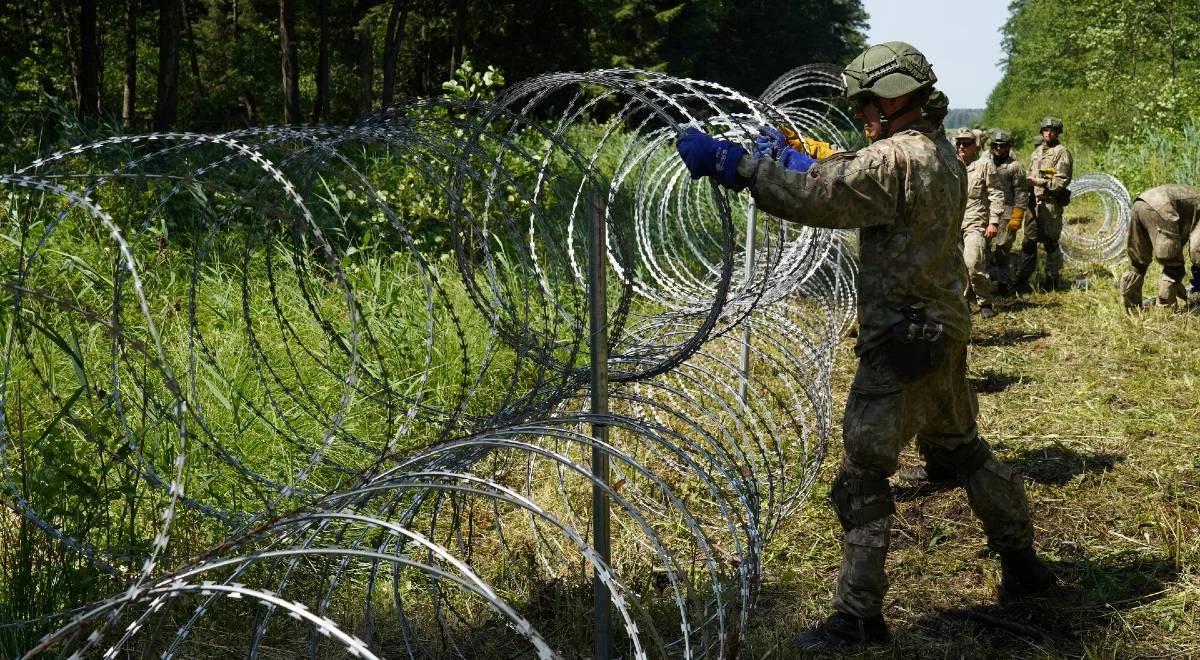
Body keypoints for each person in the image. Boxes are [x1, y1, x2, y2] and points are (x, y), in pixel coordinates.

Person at [676, 41, 1053, 650]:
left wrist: (739, 167)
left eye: (867, 103)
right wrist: (795, 158)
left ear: (897, 96)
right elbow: (844, 172)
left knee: (863, 478)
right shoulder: (940, 153)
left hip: (897, 342)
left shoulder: (894, 159)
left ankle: (858, 617)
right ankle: (1024, 566)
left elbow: (822, 196)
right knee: (963, 450)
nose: (862, 114)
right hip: (944, 329)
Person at [1117, 184, 1200, 309]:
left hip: (1140, 203)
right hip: (1163, 209)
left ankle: (1132, 307)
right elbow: (1197, 249)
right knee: (1174, 268)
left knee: (1138, 264)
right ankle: (1164, 311)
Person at [1016, 117, 1073, 292]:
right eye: (1045, 130)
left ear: (1058, 133)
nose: (1048, 133)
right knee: (1028, 243)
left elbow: (1061, 181)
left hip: (1050, 204)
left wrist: (1038, 182)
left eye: (1052, 130)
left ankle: (1052, 280)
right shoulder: (1037, 152)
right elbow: (1030, 173)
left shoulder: (1062, 152)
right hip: (1034, 205)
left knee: (1051, 244)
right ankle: (1022, 280)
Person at [954, 127, 1005, 318]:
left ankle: (985, 302)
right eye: (958, 143)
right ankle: (963, 301)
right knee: (957, 267)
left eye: (965, 144)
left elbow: (996, 194)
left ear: (974, 146)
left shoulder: (984, 165)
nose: (961, 147)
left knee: (974, 262)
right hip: (954, 223)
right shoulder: (951, 165)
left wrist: (993, 221)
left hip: (976, 221)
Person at [987, 129, 1031, 295]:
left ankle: (1003, 284)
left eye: (1002, 146)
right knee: (982, 249)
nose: (998, 148)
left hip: (1007, 212)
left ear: (1008, 147)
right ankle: (986, 281)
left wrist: (1017, 216)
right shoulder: (985, 163)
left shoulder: (1015, 167)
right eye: (995, 145)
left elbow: (1021, 192)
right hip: (987, 210)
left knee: (1002, 249)